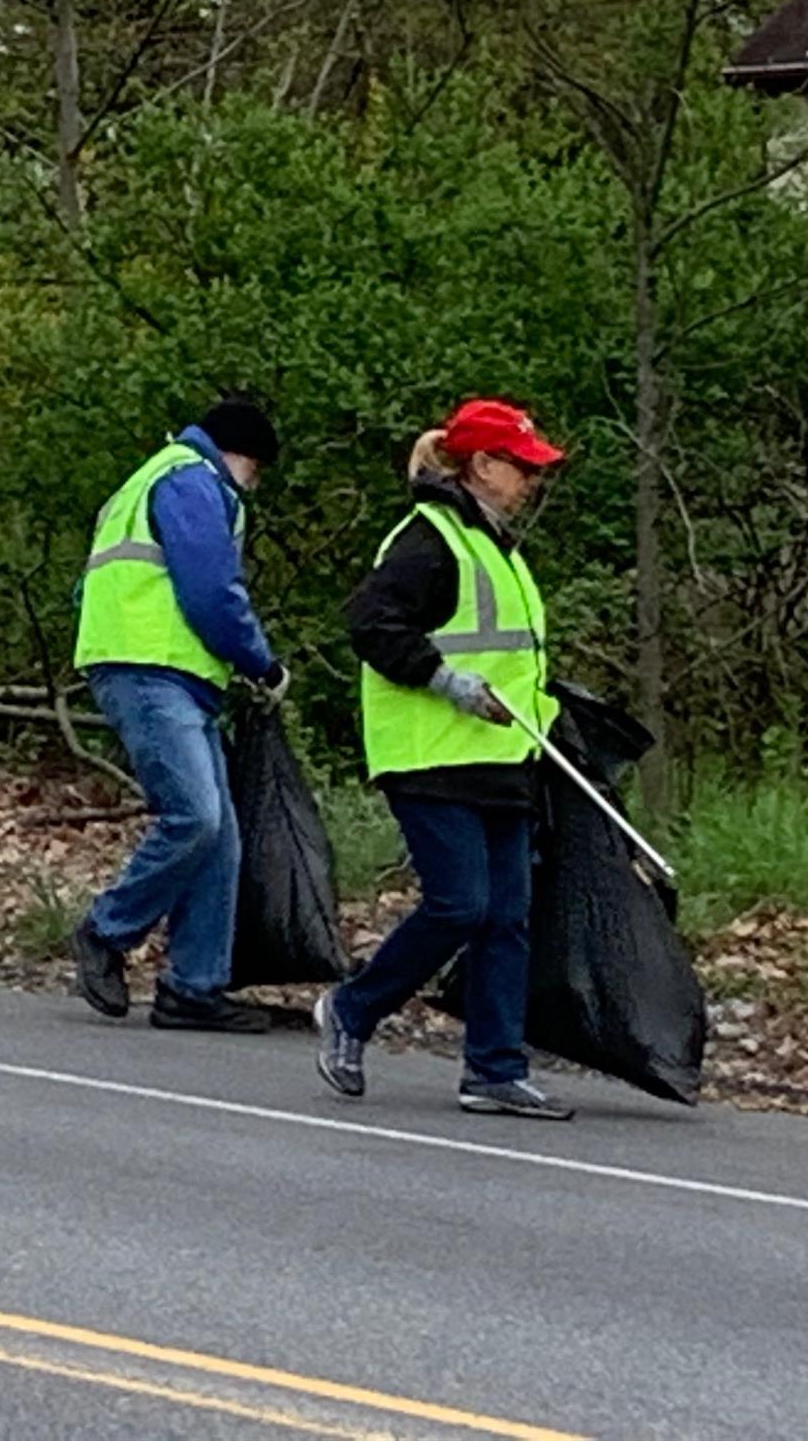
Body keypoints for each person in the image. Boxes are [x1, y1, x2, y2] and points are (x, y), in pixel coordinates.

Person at [313, 398, 574, 1118]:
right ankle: (351, 1010)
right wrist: (449, 684)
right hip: (429, 753)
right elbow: (371, 622)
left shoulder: (495, 544)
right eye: (521, 467)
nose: (531, 480)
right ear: (482, 466)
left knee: (507, 915)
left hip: (502, 756)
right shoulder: (427, 538)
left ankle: (494, 1067)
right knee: (460, 903)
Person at [69, 398, 291, 1032]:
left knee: (219, 835)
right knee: (195, 815)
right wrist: (260, 661)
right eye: (258, 471)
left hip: (149, 663)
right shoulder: (193, 479)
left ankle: (194, 986)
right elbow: (211, 590)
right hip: (151, 667)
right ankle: (106, 931)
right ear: (243, 457)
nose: (255, 485)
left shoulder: (149, 477)